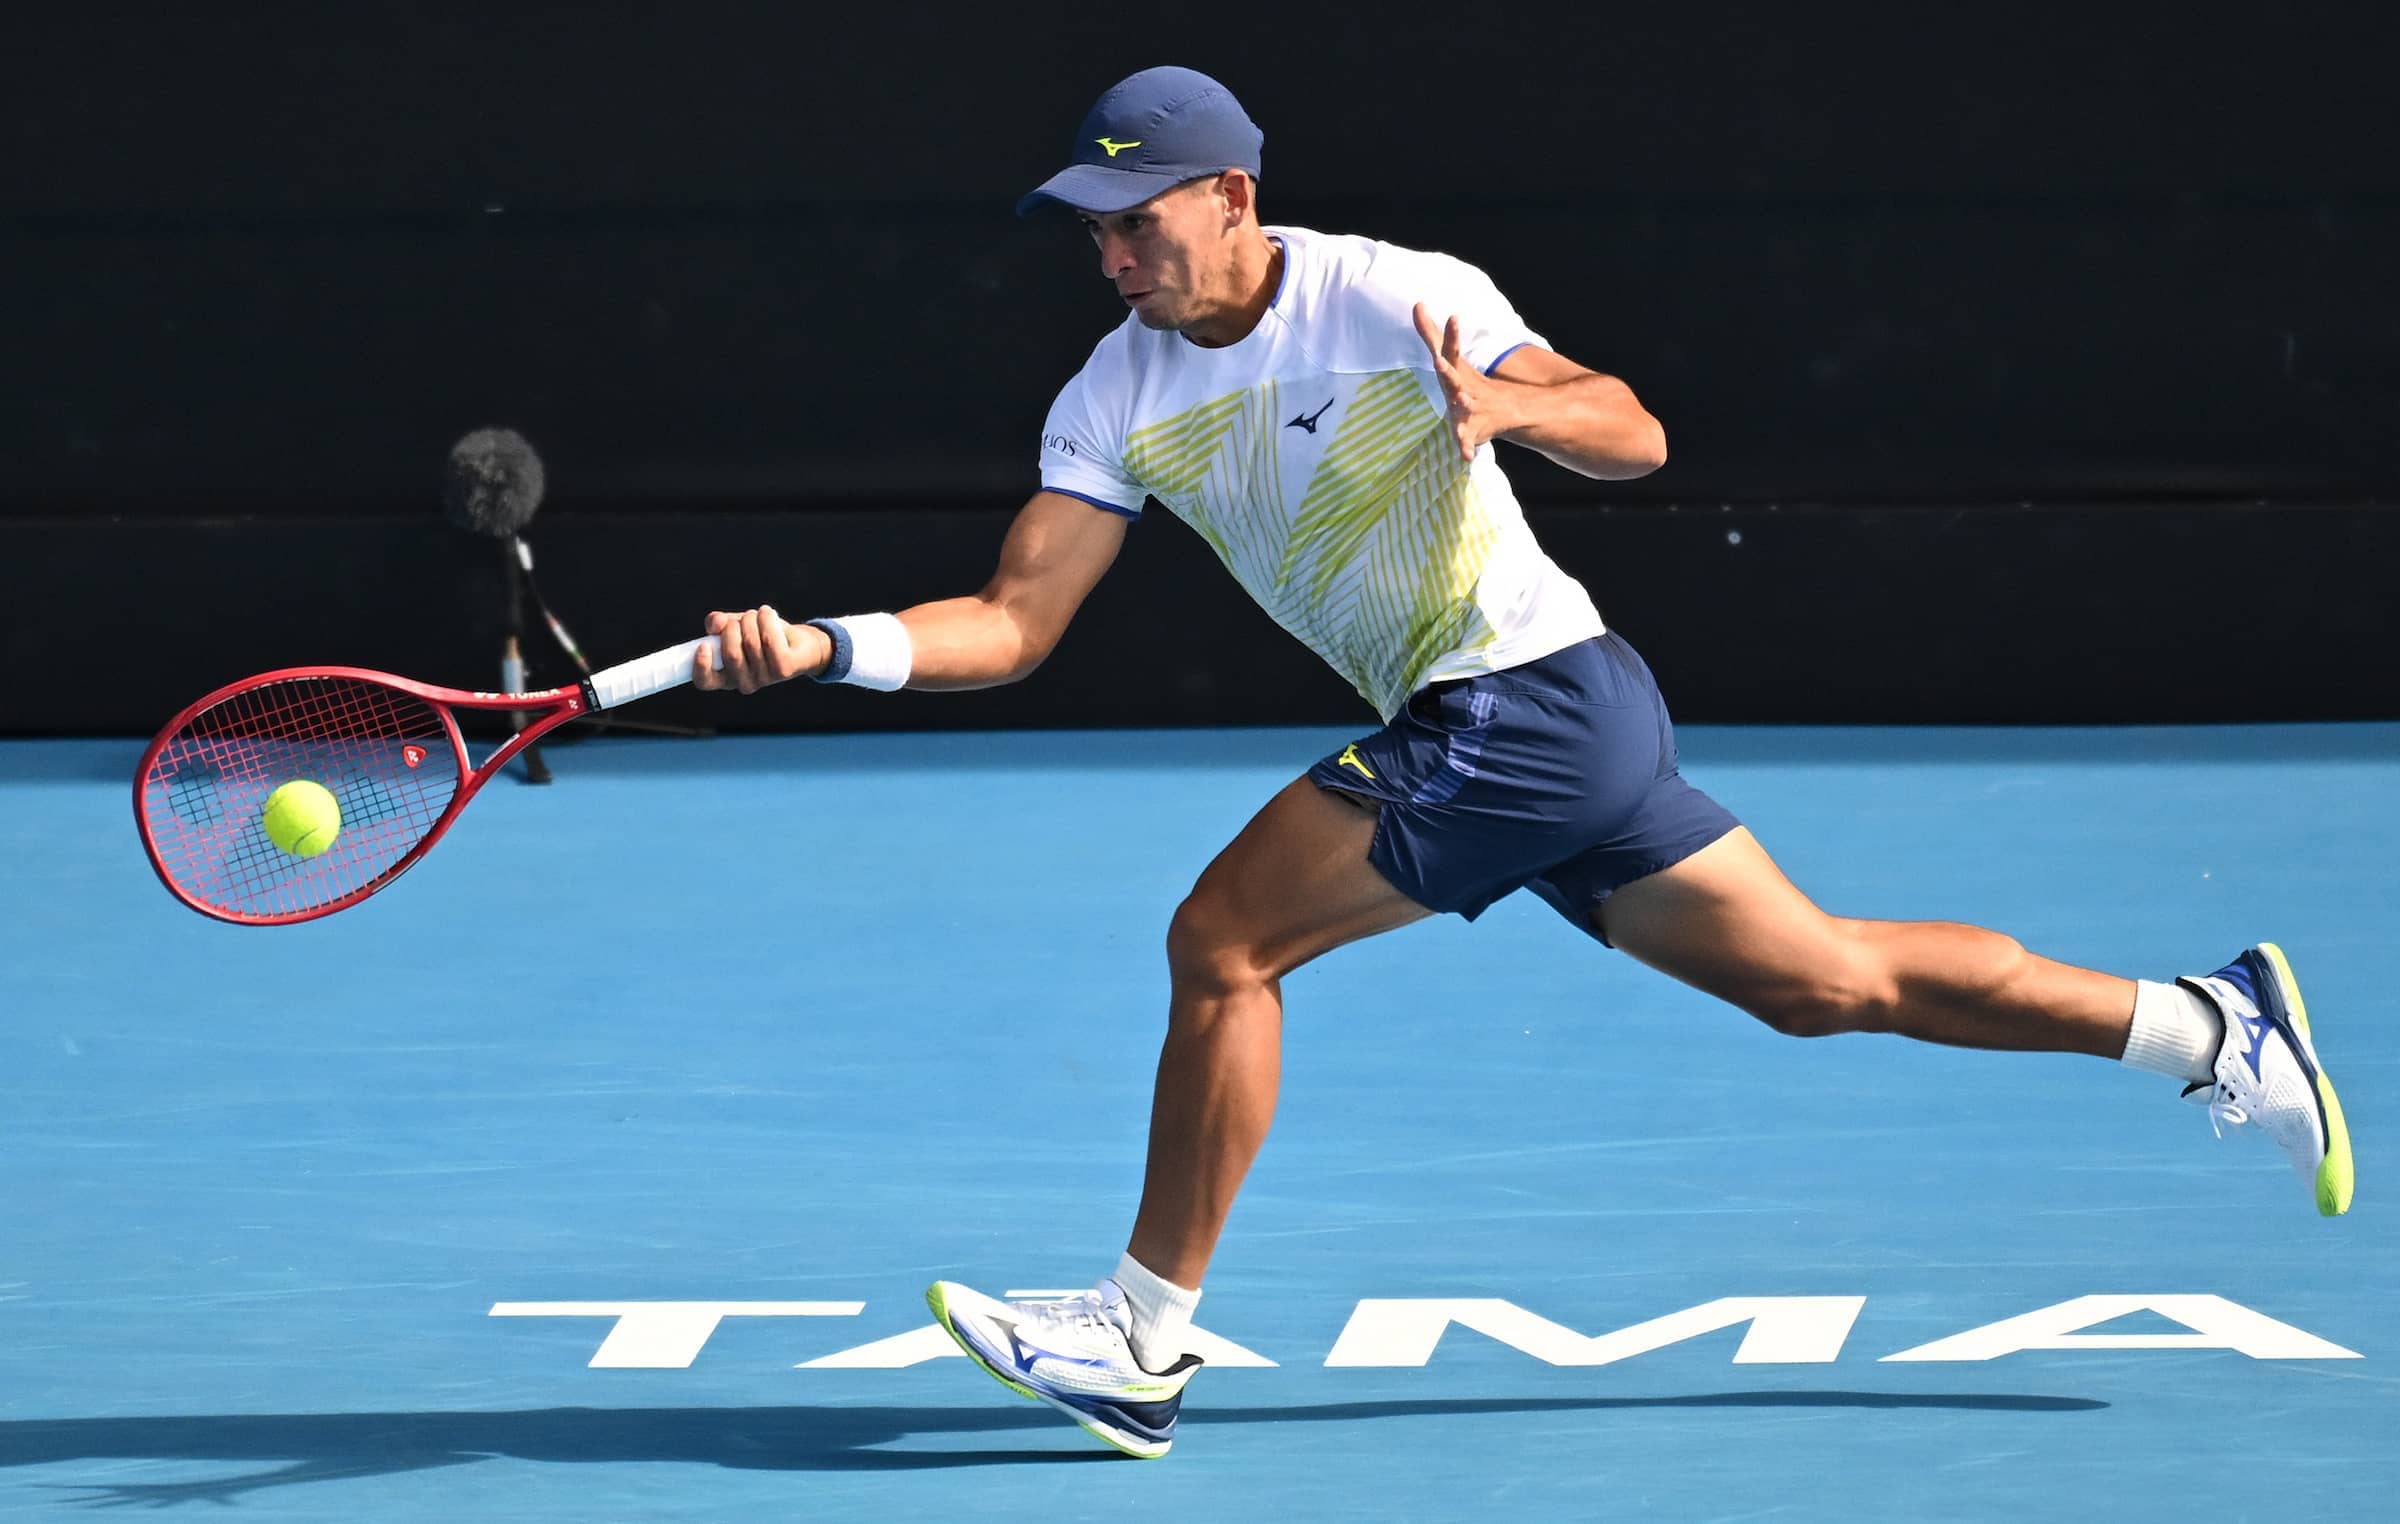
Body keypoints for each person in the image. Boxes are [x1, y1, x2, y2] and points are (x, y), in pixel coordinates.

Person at [690, 65, 2354, 1458]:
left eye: (1140, 219)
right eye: (1093, 229)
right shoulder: (1110, 391)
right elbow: (1012, 621)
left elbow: (1634, 428)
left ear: (1234, 196)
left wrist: (1516, 411)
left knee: (1225, 942)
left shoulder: (1394, 293)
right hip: (1553, 720)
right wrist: (827, 643)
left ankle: (1139, 1336)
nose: (1113, 254)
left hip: (1522, 699)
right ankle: (2207, 1028)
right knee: (1822, 982)